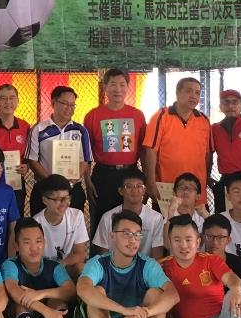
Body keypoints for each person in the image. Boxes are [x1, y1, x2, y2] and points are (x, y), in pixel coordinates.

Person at [77, 208, 178, 318]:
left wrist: (141, 313)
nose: (133, 240)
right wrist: (124, 310)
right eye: (126, 234)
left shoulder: (147, 265)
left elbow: (173, 296)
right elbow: (83, 289)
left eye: (137, 235)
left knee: (156, 294)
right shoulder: (98, 263)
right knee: (95, 293)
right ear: (112, 236)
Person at [2, 218, 76, 318]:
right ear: (16, 246)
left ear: (44, 242)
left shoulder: (54, 266)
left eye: (38, 241)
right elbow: (16, 293)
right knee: (20, 305)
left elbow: (70, 290)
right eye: (27, 242)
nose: (34, 248)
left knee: (59, 302)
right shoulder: (10, 265)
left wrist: (40, 294)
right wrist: (45, 310)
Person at [83, 69, 146, 223]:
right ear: (105, 87)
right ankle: (100, 248)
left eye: (122, 85)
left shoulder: (137, 115)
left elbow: (144, 150)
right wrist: (87, 180)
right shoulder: (93, 115)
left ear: (127, 87)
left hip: (130, 173)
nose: (117, 89)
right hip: (103, 175)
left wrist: (146, 179)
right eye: (113, 84)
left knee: (131, 221)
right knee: (100, 220)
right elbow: (86, 153)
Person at [25, 86, 94, 214]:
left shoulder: (81, 131)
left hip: (72, 189)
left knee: (72, 229)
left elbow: (84, 161)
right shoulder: (38, 129)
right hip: (45, 188)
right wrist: (53, 182)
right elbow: (33, 160)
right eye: (65, 103)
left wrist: (71, 183)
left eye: (73, 105)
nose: (69, 108)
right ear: (53, 102)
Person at [142, 76, 211, 197]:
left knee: (199, 217)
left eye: (197, 93)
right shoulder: (161, 116)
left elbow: (208, 154)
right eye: (188, 91)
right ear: (177, 93)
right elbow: (150, 151)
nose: (194, 96)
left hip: (196, 189)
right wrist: (150, 183)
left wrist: (206, 179)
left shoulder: (204, 120)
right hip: (167, 189)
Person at [92, 167, 163, 259]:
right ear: (121, 191)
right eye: (129, 186)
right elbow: (102, 255)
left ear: (144, 191)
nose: (134, 190)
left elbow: (158, 257)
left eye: (139, 186)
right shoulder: (108, 217)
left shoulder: (156, 218)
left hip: (145, 270)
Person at [32, 173, 89, 277]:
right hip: (43, 271)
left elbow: (81, 254)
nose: (64, 203)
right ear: (45, 200)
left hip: (65, 267)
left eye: (66, 198)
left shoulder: (76, 216)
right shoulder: (35, 223)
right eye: (58, 199)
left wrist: (60, 265)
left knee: (81, 268)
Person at [0, 82, 30, 180]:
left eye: (12, 98)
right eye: (3, 98)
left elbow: (28, 155)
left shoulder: (25, 126)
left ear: (17, 101)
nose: (8, 102)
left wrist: (26, 166)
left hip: (16, 179)